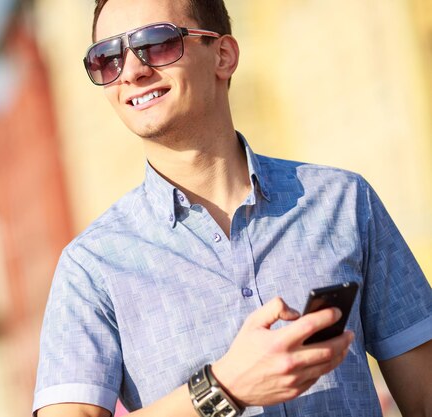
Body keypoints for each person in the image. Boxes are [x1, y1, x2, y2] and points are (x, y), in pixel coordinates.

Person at [33, 0, 432, 416]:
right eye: (107, 58)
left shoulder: (344, 202)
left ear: (223, 55)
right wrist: (225, 387)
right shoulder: (91, 266)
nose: (131, 71)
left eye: (157, 43)